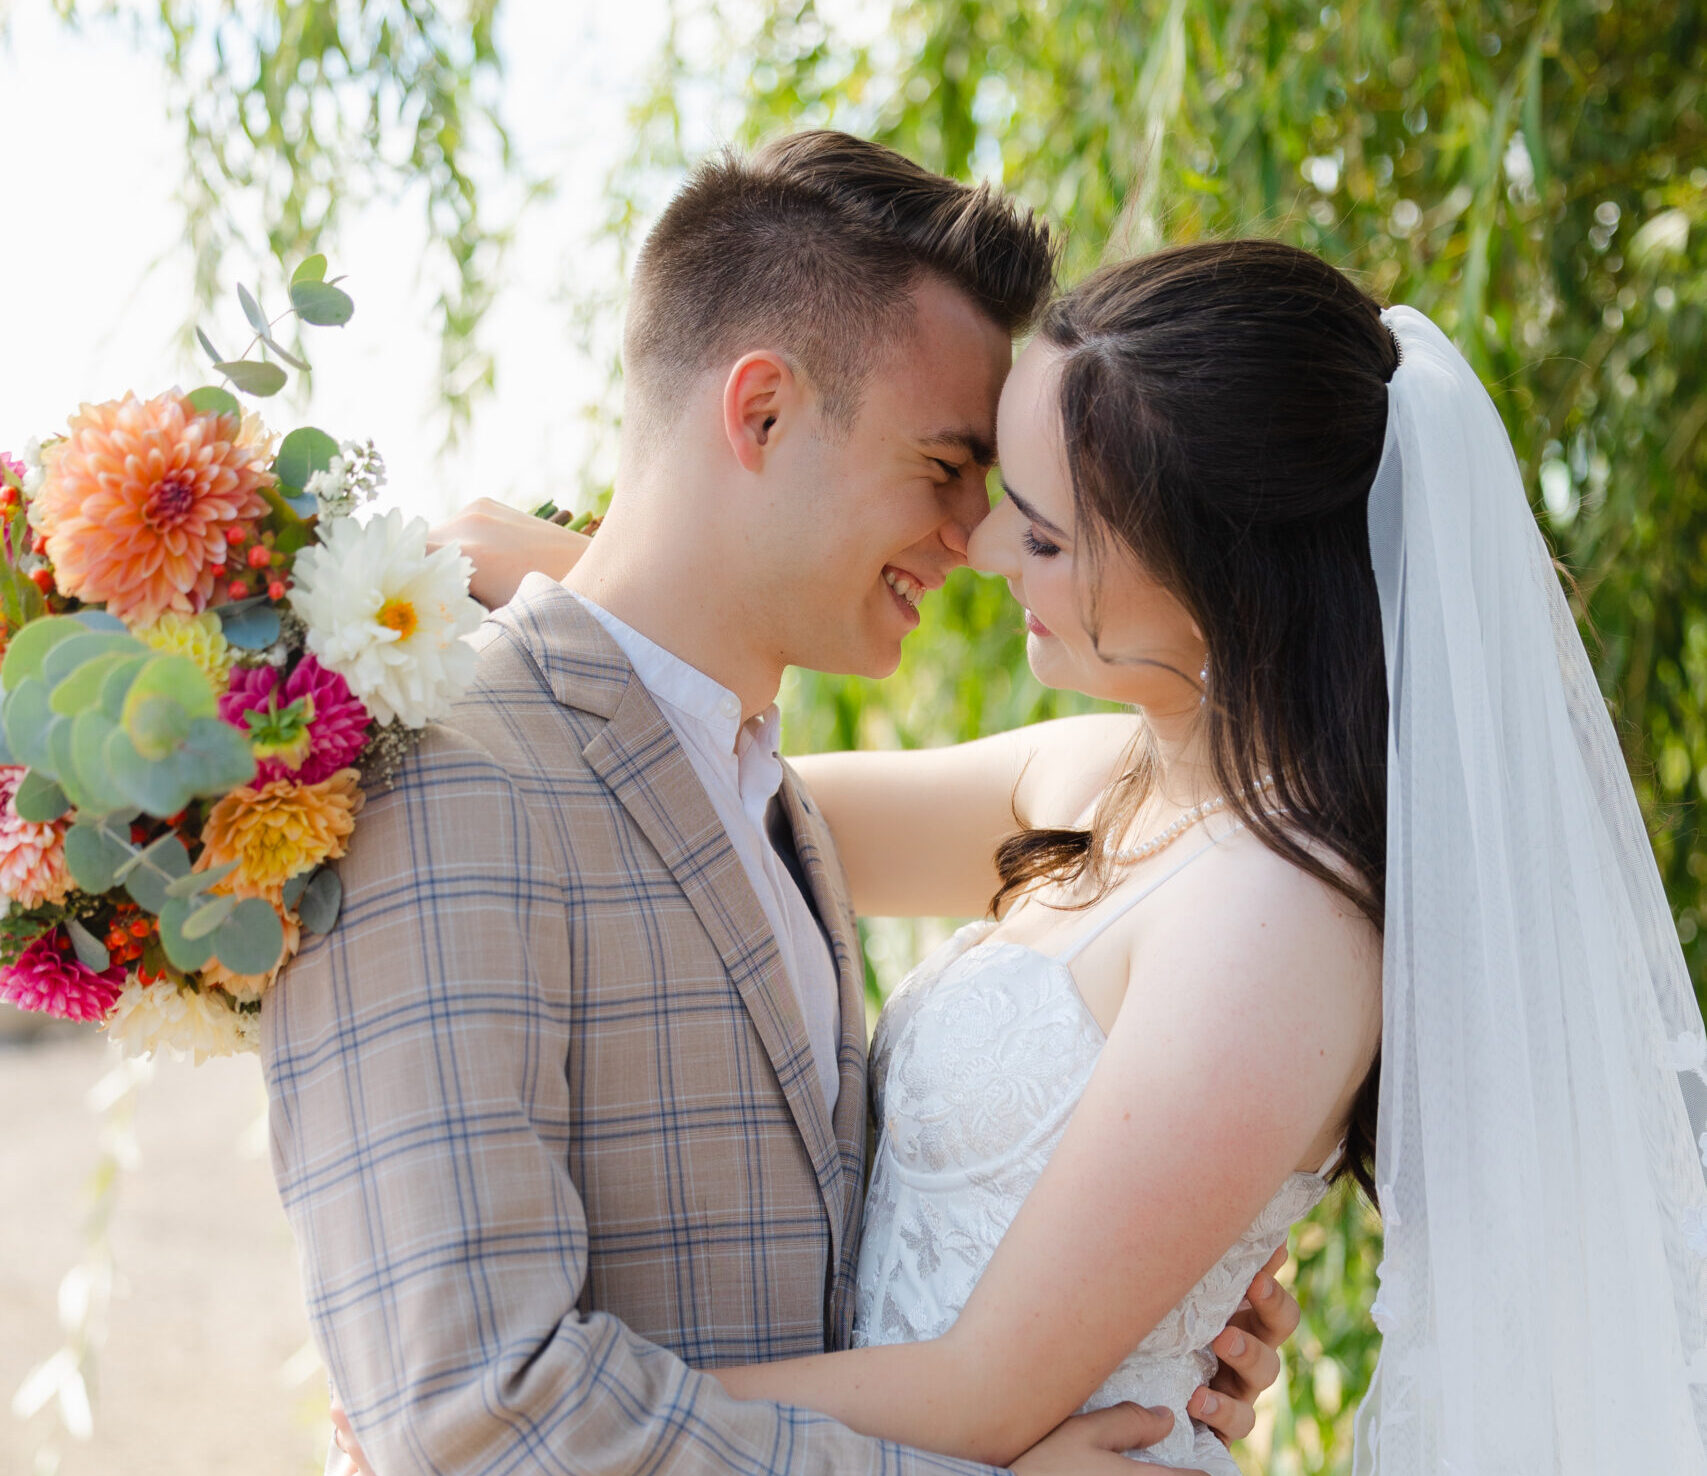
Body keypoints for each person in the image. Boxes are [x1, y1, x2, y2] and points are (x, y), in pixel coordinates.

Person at [432, 235, 1707, 1475]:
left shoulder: (1282, 923)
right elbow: (733, 802)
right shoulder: (1098, 773)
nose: (981, 548)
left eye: (1043, 534)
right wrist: (594, 592)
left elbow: (980, 1390)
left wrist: (508, 1436)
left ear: (1224, 581)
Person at [264, 132, 1299, 1476]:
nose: (977, 539)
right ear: (757, 414)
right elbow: (474, 1418)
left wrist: (1142, 1306)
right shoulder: (448, 782)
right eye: (944, 468)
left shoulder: (768, 799)